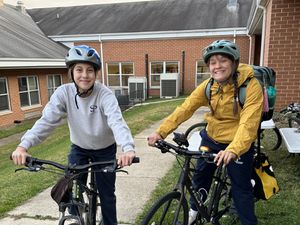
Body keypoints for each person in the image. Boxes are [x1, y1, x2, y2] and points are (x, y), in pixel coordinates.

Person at [11, 45, 136, 225]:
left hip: (105, 150)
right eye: (79, 70)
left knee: (107, 195)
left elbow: (117, 122)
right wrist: (23, 146)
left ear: (96, 74)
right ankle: (76, 220)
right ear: (71, 72)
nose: (84, 75)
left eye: (90, 70)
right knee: (72, 194)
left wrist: (127, 148)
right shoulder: (63, 93)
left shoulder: (105, 95)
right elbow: (46, 121)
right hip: (79, 149)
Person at [147, 40, 263, 225]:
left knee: (241, 189)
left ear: (234, 62)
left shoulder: (251, 86)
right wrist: (161, 132)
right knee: (200, 175)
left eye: (222, 60)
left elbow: (249, 123)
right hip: (212, 138)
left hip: (238, 142)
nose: (217, 66)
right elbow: (185, 108)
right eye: (212, 62)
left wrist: (233, 150)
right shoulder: (209, 85)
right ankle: (194, 211)